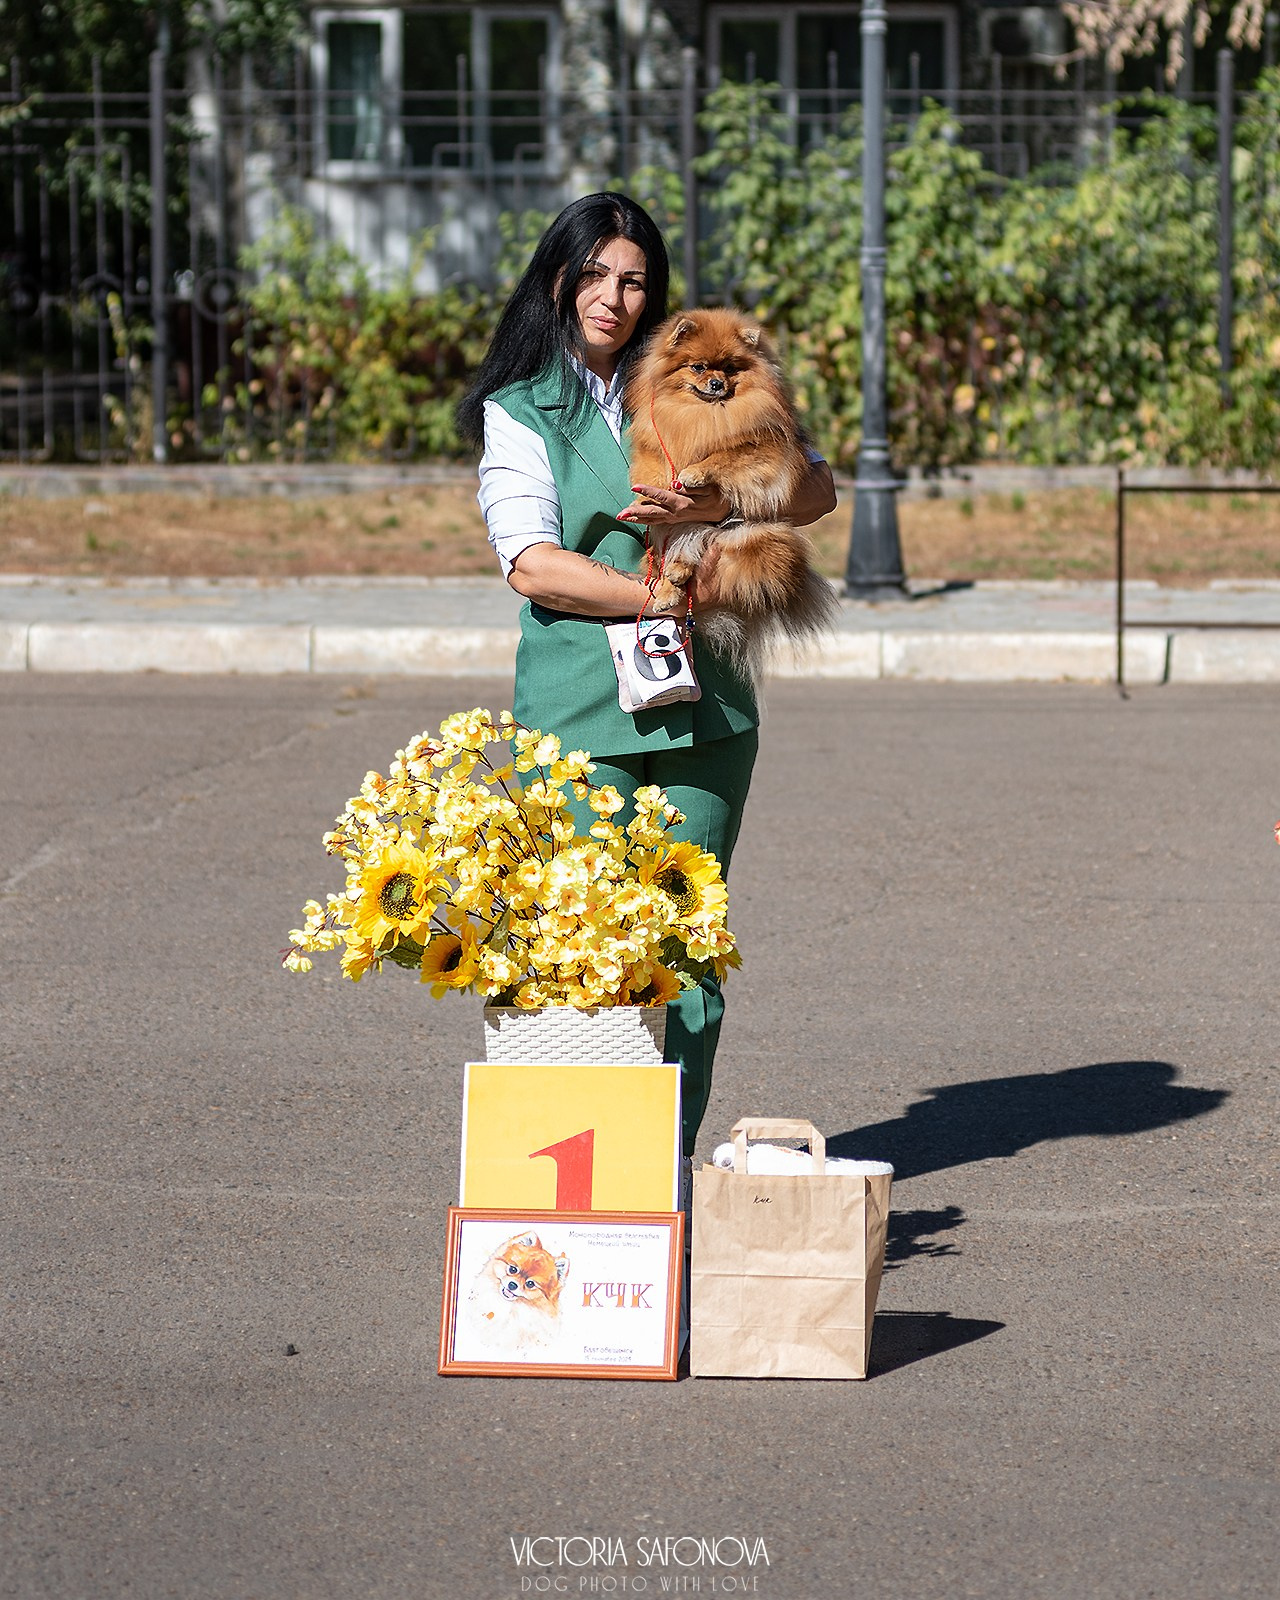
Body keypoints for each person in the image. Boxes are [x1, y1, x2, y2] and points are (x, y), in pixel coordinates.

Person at [456, 192, 835, 1158]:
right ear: (558, 279)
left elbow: (816, 488)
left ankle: (658, 1185)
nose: (611, 297)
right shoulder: (521, 410)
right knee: (582, 953)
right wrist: (655, 600)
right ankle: (584, 1178)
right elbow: (532, 562)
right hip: (582, 708)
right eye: (593, 274)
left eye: (632, 280)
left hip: (707, 711)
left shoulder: (697, 375)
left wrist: (725, 489)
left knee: (689, 958)